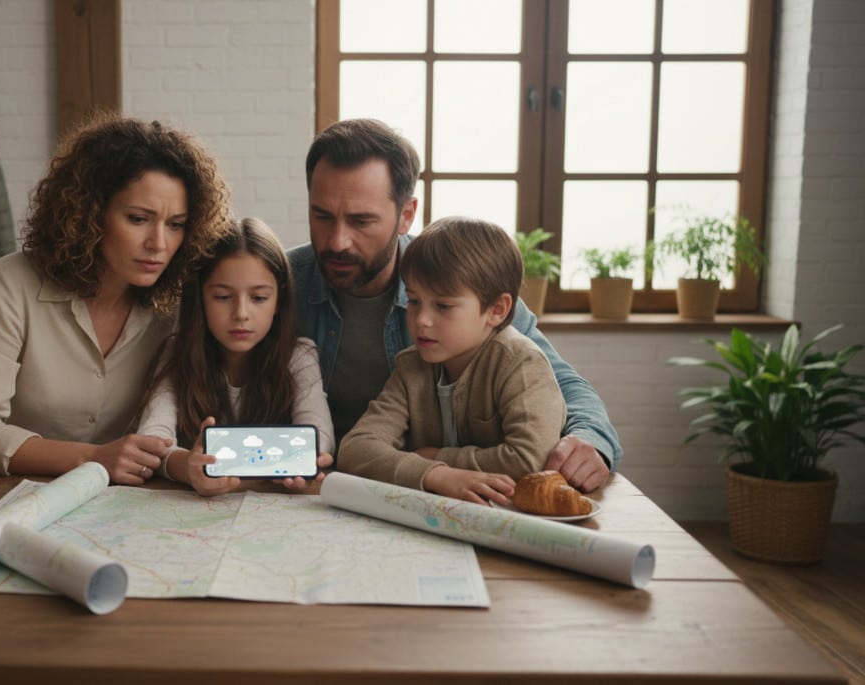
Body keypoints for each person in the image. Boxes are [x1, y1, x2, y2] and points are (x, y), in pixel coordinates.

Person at [287, 118, 621, 492]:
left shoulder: (455, 278)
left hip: (429, 490)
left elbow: (561, 383)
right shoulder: (275, 284)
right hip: (324, 486)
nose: (338, 241)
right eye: (322, 216)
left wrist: (591, 439)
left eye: (361, 220)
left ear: (406, 215)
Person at [0, 113, 232, 483]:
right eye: (137, 219)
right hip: (20, 495)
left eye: (176, 225)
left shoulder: (176, 306)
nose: (159, 244)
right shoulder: (11, 284)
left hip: (127, 502)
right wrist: (92, 457)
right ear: (89, 213)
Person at [338, 217, 566, 504]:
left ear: (497, 309)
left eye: (443, 306)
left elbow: (531, 459)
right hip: (438, 517)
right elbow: (355, 449)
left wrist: (437, 456)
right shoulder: (412, 367)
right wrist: (436, 474)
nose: (421, 320)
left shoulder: (521, 363)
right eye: (414, 300)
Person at [136, 217, 335, 496]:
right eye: (222, 297)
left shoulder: (298, 354)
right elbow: (152, 437)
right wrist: (187, 466)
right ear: (201, 299)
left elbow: (319, 431)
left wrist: (310, 456)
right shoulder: (177, 352)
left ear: (279, 300)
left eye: (259, 298)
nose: (241, 313)